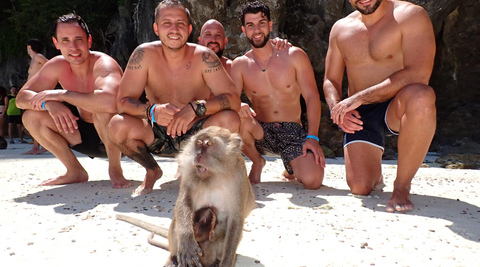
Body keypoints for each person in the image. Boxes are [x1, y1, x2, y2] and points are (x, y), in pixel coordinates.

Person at [109, 0, 241, 195]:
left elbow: (234, 100)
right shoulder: (144, 55)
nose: (174, 29)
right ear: (156, 28)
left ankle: (206, 172)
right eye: (167, 23)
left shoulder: (204, 57)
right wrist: (152, 111)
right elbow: (122, 102)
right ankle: (152, 170)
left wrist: (197, 108)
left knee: (230, 120)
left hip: (197, 134)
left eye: (180, 23)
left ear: (189, 29)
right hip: (157, 133)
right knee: (117, 125)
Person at [323, 0, 436, 213]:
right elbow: (331, 80)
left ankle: (401, 186)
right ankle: (375, 172)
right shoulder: (341, 29)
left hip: (398, 103)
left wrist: (361, 97)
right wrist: (337, 109)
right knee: (360, 186)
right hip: (360, 113)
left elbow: (419, 73)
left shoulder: (409, 16)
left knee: (422, 96)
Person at [16, 13, 130, 189]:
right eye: (65, 40)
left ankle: (115, 170)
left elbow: (110, 102)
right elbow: (21, 98)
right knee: (31, 116)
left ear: (89, 41)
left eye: (78, 39)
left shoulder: (103, 64)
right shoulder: (57, 65)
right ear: (56, 43)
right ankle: (74, 171)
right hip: (82, 135)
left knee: (100, 106)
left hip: (117, 138)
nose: (73, 47)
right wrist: (49, 104)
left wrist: (61, 95)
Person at [230, 1, 325, 189]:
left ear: (270, 25)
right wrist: (238, 105)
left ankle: (291, 167)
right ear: (244, 30)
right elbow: (229, 98)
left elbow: (312, 97)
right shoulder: (240, 65)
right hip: (260, 131)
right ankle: (257, 162)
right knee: (237, 117)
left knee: (313, 181)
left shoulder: (294, 55)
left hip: (292, 131)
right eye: (250, 25)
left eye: (261, 23)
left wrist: (312, 137)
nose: (256, 29)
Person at [198, 19, 291, 75]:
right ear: (200, 41)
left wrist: (276, 45)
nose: (213, 40)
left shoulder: (233, 68)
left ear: (225, 42)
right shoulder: (188, 66)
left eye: (218, 35)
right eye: (208, 35)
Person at [23, 38, 49, 155]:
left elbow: (51, 65)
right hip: (32, 93)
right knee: (33, 120)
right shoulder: (34, 59)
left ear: (29, 47)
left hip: (38, 93)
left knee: (37, 119)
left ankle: (43, 146)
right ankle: (35, 147)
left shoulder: (38, 57)